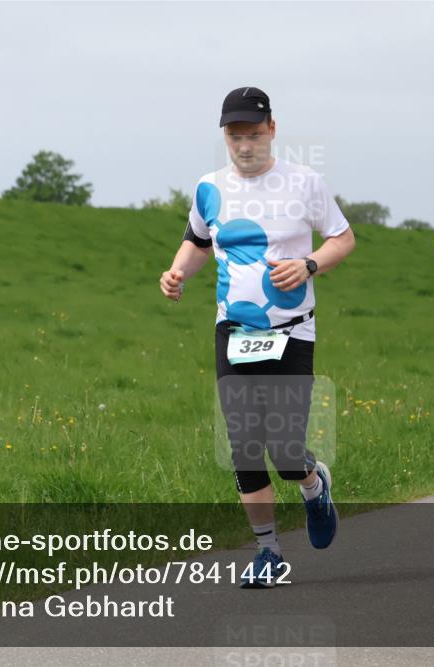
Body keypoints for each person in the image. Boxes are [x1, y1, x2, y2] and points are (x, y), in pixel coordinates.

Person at [159, 86, 356, 586]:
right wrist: (178, 271)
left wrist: (309, 264)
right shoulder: (209, 187)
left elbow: (343, 238)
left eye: (252, 134)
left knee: (286, 451)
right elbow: (198, 241)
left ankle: (313, 485)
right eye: (233, 136)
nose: (244, 145)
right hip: (234, 329)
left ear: (272, 129)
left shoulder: (304, 182)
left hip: (291, 330)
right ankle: (269, 552)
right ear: (223, 135)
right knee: (244, 444)